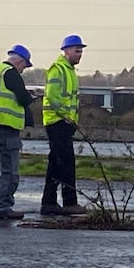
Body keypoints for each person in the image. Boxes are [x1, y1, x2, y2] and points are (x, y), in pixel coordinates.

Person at [0, 44, 35, 220]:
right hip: (6, 126)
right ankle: (3, 207)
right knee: (9, 169)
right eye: (24, 67)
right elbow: (23, 97)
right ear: (19, 61)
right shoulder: (11, 73)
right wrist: (31, 97)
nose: (23, 70)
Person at [40, 34, 88, 216]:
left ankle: (49, 202)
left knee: (56, 163)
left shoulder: (69, 71)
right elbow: (52, 96)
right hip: (58, 121)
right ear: (66, 51)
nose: (80, 54)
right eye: (77, 51)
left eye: (81, 51)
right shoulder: (58, 69)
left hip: (65, 123)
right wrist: (66, 116)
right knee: (66, 163)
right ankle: (69, 202)